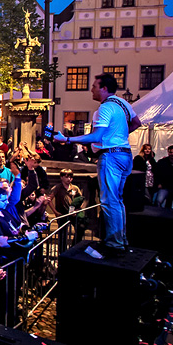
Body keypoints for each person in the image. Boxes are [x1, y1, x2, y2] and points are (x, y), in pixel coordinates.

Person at [54, 73, 140, 252]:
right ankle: (121, 239)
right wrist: (118, 136)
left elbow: (96, 136)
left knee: (109, 201)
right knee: (118, 200)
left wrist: (67, 140)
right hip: (125, 154)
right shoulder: (124, 104)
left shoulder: (105, 108)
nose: (91, 89)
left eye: (94, 86)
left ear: (104, 88)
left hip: (111, 156)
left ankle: (114, 243)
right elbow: (136, 123)